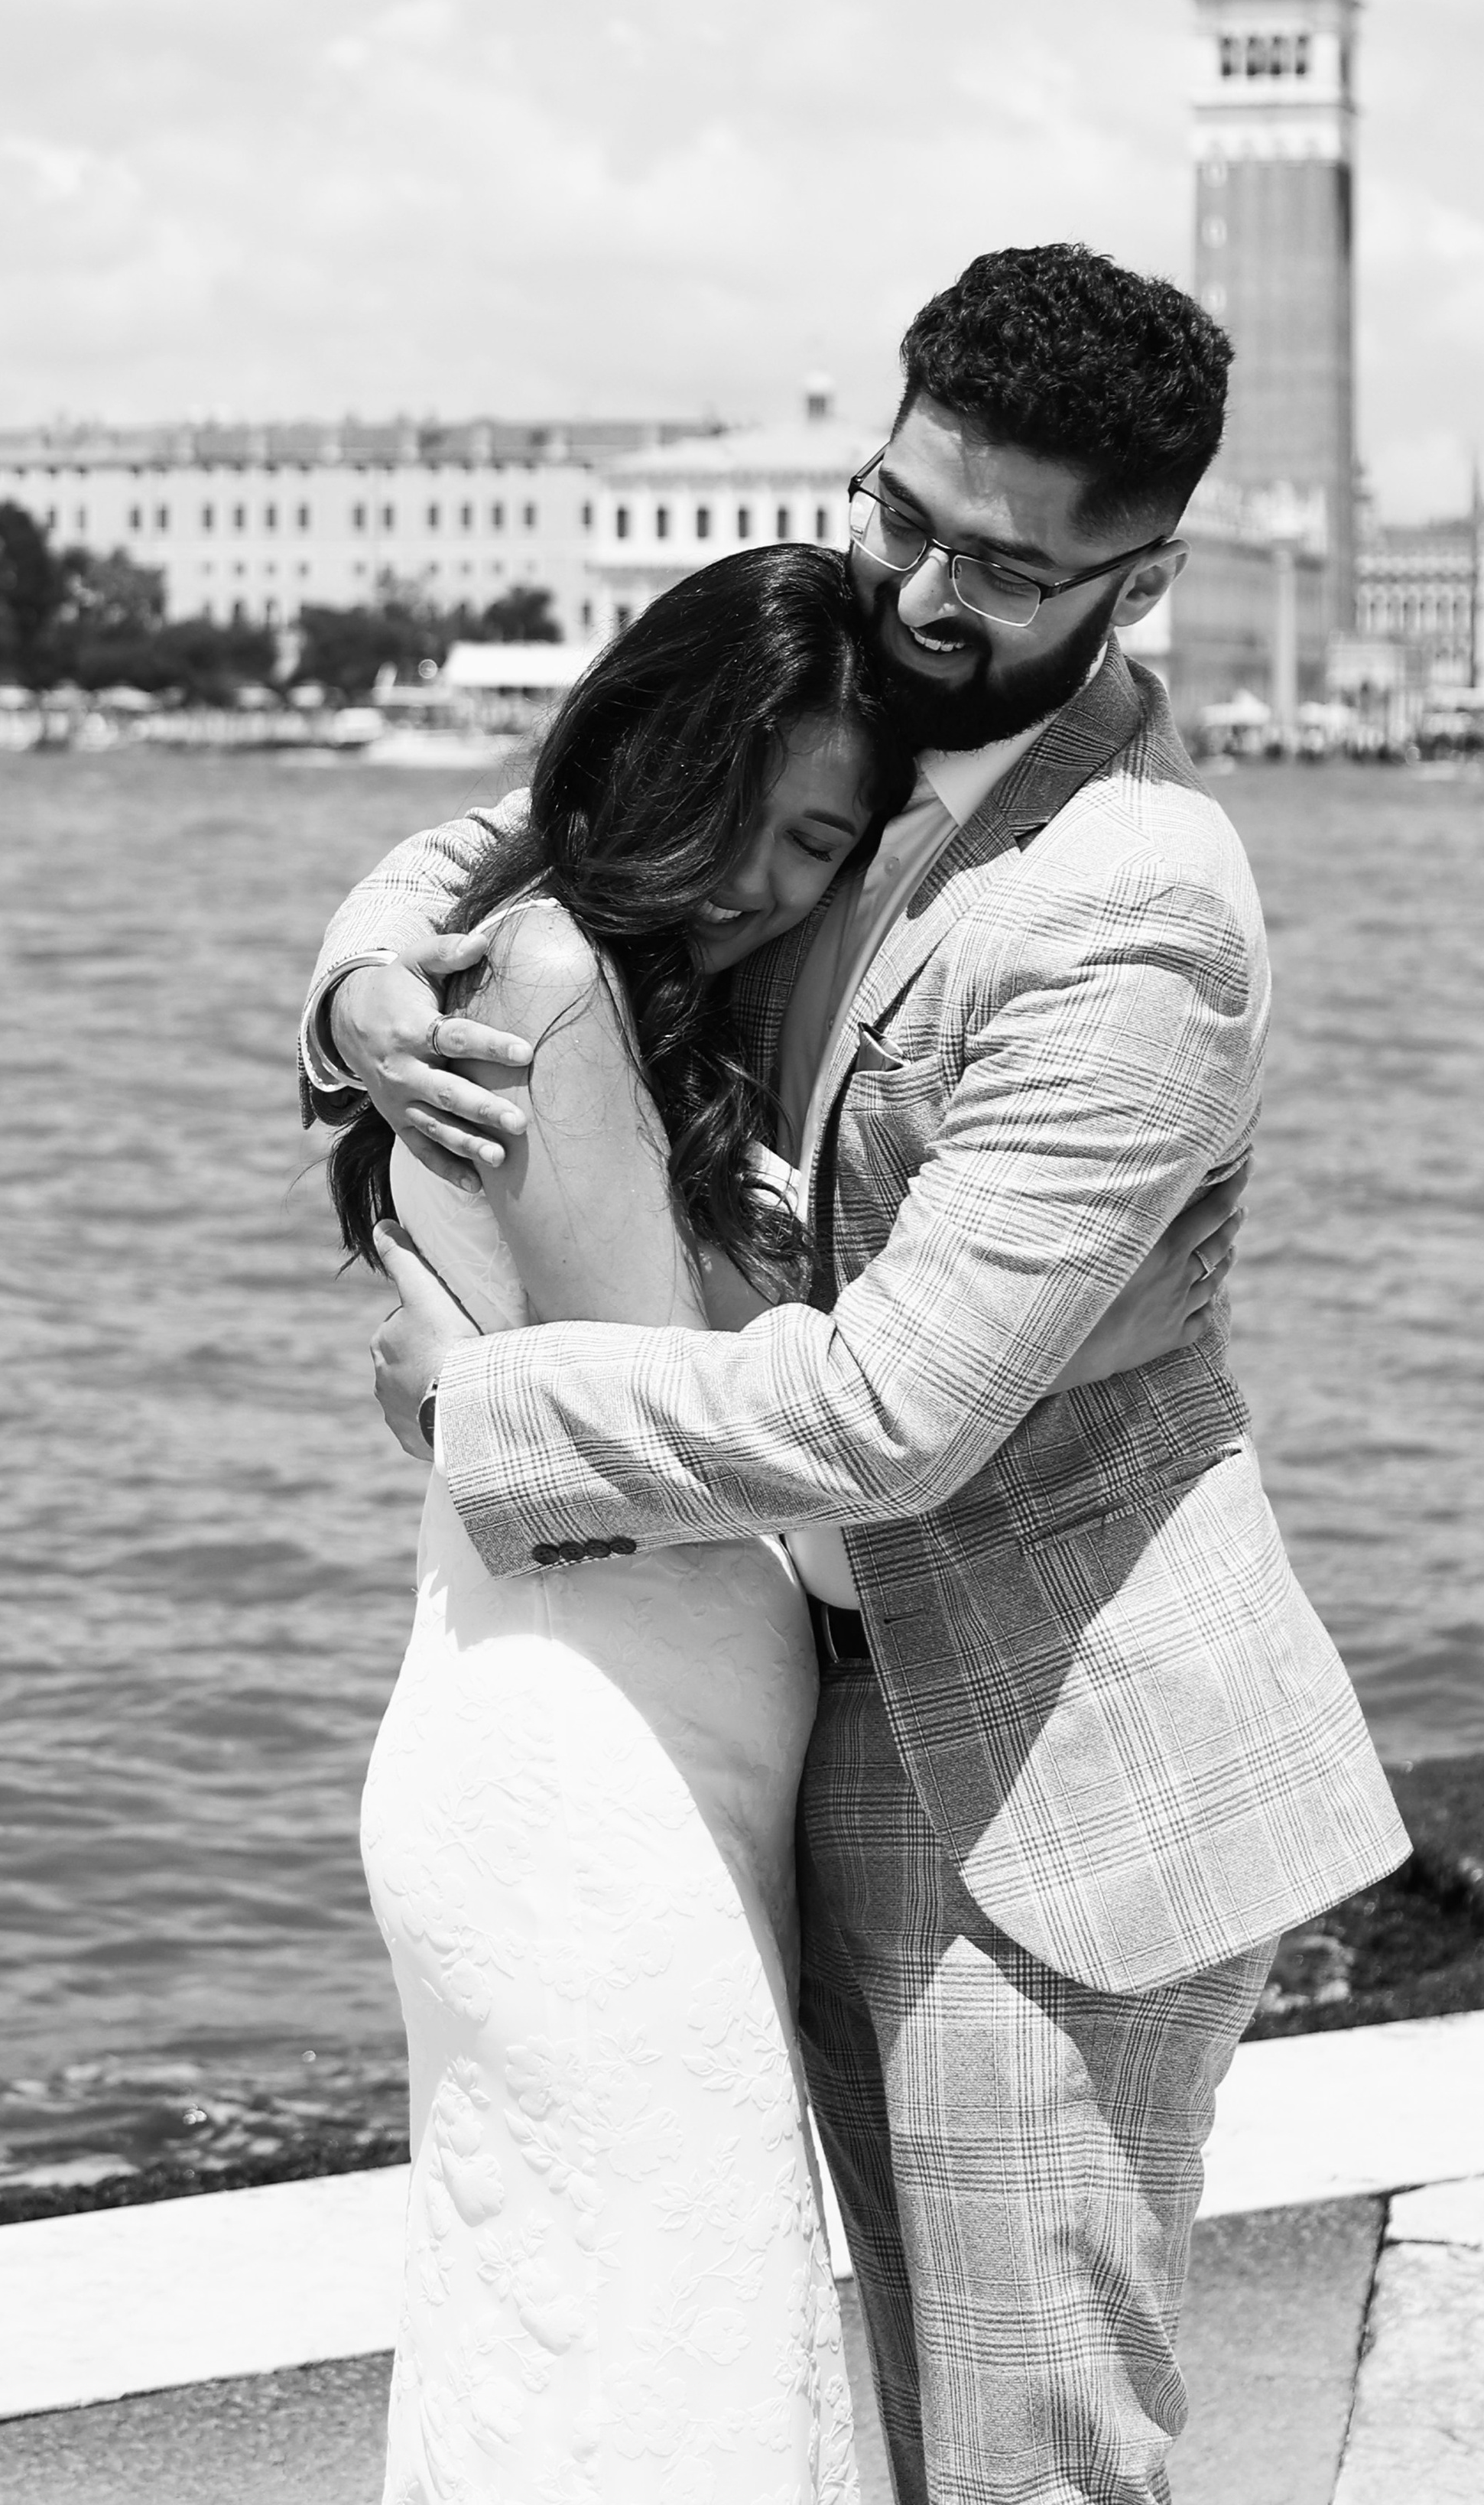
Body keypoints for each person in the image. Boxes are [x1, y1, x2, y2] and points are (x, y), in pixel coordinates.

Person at [305, 246, 1408, 2505]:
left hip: (1055, 1779)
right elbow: (536, 828)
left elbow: (891, 1416)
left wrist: (472, 1415)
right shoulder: (861, 671)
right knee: (840, 2412)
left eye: (1003, 567)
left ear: (1141, 574)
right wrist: (351, 987)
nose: (920, 584)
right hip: (802, 1718)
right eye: (900, 507)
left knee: (1025, 2464)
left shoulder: (1135, 902)